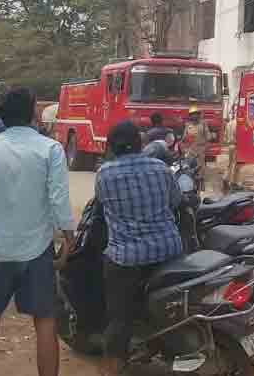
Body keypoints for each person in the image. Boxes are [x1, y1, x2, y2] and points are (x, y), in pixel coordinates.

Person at [0, 87, 75, 376]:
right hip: (36, 250)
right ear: (32, 113)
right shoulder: (50, 149)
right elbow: (58, 200)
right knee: (45, 322)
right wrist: (68, 237)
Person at [95, 120, 184, 376]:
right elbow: (176, 201)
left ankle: (114, 366)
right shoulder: (161, 168)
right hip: (168, 251)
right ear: (140, 142)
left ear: (111, 147)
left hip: (126, 258)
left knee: (119, 317)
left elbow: (101, 207)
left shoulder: (105, 174)